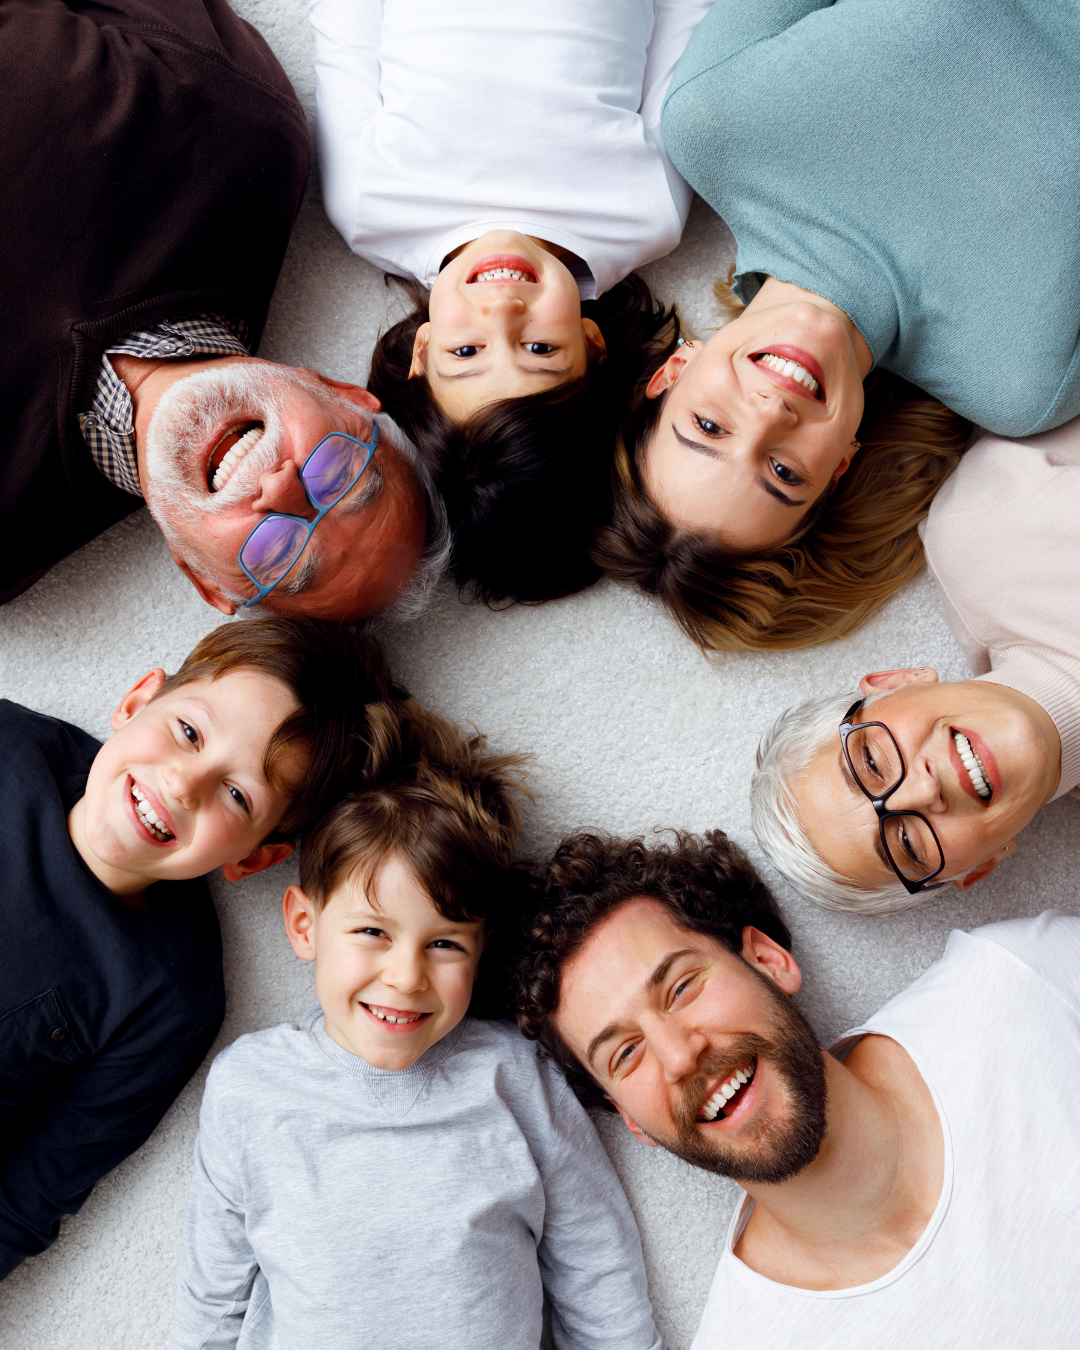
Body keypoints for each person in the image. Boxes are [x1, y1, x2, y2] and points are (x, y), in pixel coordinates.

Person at [171, 703, 661, 1350]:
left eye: (445, 944)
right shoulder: (250, 1088)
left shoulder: (516, 1075)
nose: (406, 977)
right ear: (304, 925)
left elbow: (596, 1264)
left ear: (481, 951)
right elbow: (211, 1300)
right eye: (372, 932)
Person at [596, 0, 1080, 651]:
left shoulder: (715, 124)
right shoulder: (1023, 383)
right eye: (783, 473)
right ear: (843, 464)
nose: (770, 414)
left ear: (674, 369)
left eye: (709, 427)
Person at [517, 832, 1080, 1347]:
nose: (680, 1056)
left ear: (769, 962)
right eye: (626, 1053)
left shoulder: (1021, 980)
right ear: (632, 1120)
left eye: (682, 987)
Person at [2, 0, 446, 622]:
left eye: (278, 553)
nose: (280, 488)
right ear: (343, 392)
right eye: (337, 473)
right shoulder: (238, 125)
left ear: (207, 583)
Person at [0, 615, 400, 1280]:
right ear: (138, 699)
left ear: (254, 858)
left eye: (237, 795)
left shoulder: (170, 997)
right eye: (188, 732)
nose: (184, 785)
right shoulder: (10, 744)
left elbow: (26, 1200)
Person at [312, 0, 711, 604]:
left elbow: (343, 23)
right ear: (593, 345)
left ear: (421, 349)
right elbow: (686, 18)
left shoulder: (368, 206)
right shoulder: (647, 211)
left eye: (466, 352)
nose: (502, 308)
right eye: (541, 349)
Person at [749, 417, 1080, 914]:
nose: (924, 788)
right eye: (907, 844)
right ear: (981, 867)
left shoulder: (985, 529)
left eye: (871, 763)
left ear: (895, 681)